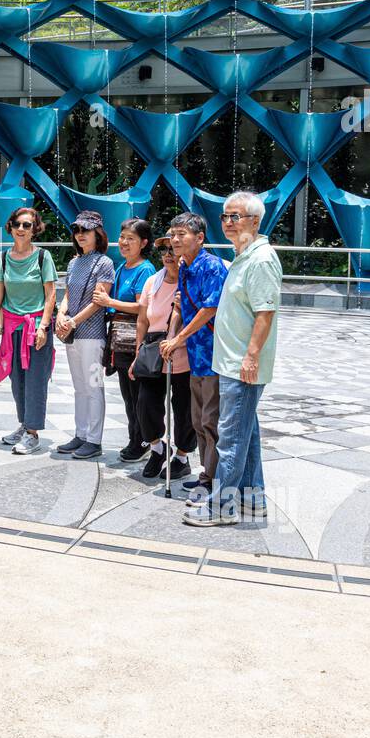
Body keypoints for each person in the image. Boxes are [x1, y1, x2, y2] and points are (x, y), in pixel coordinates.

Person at [184, 193, 282, 526]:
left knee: (231, 437)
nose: (227, 222)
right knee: (247, 434)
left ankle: (221, 508)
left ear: (255, 221)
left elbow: (265, 313)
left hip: (242, 365)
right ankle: (253, 500)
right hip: (230, 362)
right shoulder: (242, 255)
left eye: (235, 216)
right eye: (225, 216)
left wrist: (251, 357)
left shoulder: (261, 259)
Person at [160, 212, 228, 495]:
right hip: (195, 356)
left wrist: (179, 338)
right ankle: (206, 473)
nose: (175, 239)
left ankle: (215, 477)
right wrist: (173, 336)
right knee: (198, 418)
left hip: (213, 354)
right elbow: (181, 305)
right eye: (172, 234)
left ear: (199, 237)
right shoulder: (185, 265)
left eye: (181, 234)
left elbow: (210, 308)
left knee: (211, 419)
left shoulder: (211, 266)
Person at [0, 206, 57, 456]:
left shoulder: (42, 257)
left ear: (35, 228)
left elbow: (50, 296)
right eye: (18, 224)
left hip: (35, 327)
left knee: (36, 380)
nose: (22, 229)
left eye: (28, 225)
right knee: (17, 381)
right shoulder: (3, 258)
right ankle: (25, 425)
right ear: (11, 227)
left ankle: (33, 434)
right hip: (12, 328)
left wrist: (44, 327)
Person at [129, 235, 196, 481]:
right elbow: (142, 320)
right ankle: (157, 448)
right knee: (145, 404)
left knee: (184, 409)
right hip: (153, 350)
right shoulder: (152, 282)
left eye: (173, 248)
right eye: (164, 249)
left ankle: (182, 457)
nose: (168, 253)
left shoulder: (192, 280)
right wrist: (138, 353)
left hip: (184, 350)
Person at [92, 217, 155, 462]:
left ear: (144, 243)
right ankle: (134, 438)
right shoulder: (122, 267)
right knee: (128, 394)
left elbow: (142, 307)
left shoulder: (145, 269)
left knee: (138, 393)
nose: (125, 243)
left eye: (131, 239)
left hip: (134, 335)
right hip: (119, 337)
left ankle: (144, 440)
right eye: (123, 238)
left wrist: (109, 302)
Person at [54, 210, 114, 460]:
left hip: (91, 333)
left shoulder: (104, 263)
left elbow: (99, 301)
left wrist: (72, 321)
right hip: (73, 332)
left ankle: (94, 439)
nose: (80, 235)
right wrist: (61, 314)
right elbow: (68, 293)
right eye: (77, 231)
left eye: (85, 231)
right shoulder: (73, 262)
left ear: (97, 233)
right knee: (79, 387)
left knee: (93, 386)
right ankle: (80, 433)